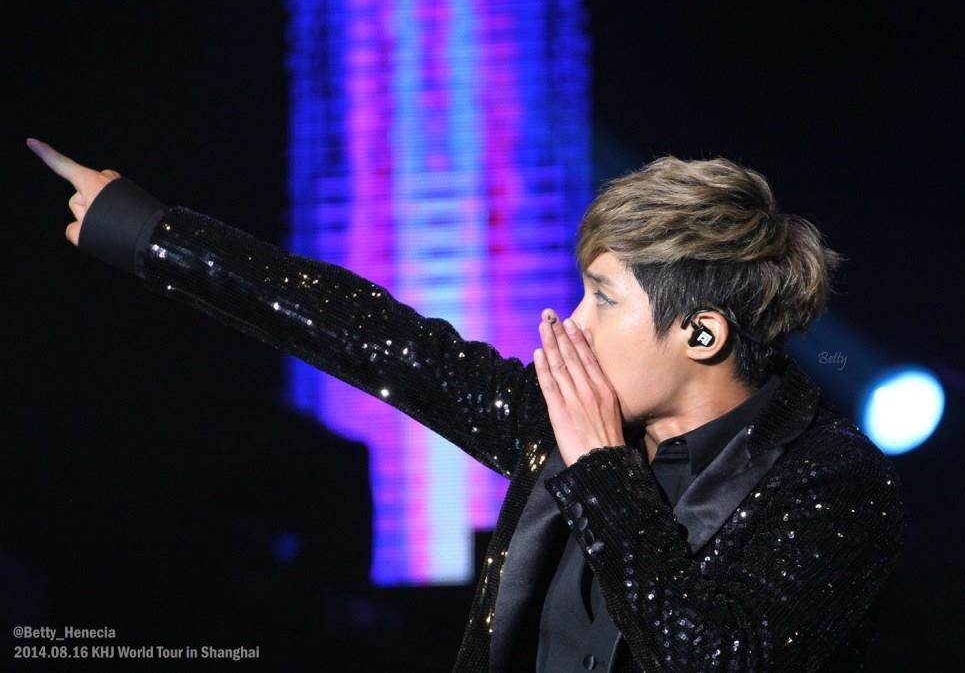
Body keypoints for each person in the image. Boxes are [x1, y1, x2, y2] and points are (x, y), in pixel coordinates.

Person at [28, 138, 904, 672]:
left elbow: (711, 656)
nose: (571, 323)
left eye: (603, 299)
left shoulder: (830, 481)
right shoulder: (561, 423)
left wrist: (603, 472)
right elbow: (380, 341)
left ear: (701, 334)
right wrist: (151, 235)